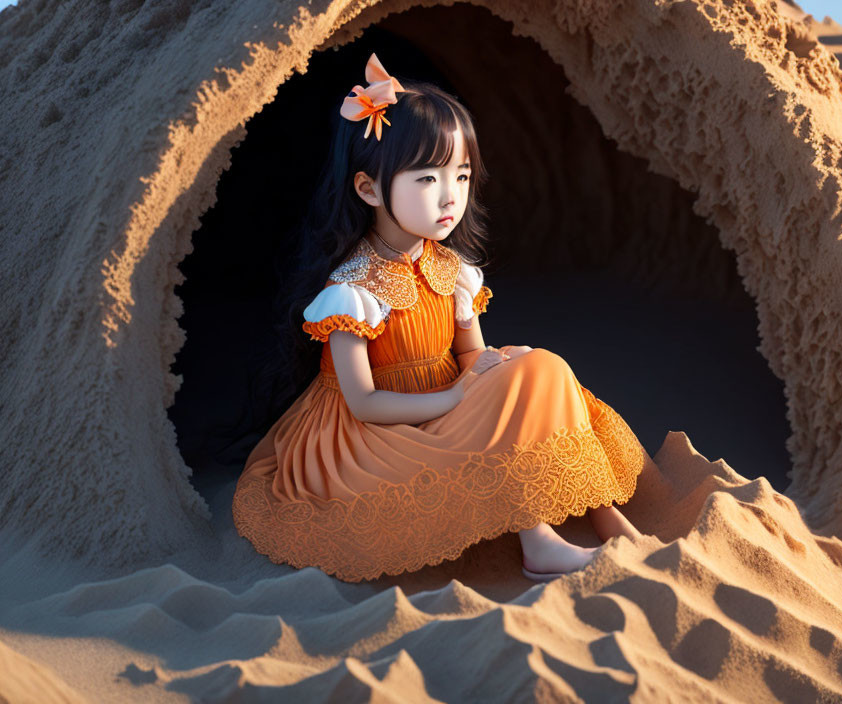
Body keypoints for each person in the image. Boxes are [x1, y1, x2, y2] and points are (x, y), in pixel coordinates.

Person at [232, 52, 648, 583]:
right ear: (368, 189)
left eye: (462, 175)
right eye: (428, 178)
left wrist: (497, 363)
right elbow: (362, 403)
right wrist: (454, 397)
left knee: (545, 368)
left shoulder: (454, 269)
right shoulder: (352, 290)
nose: (451, 196)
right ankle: (538, 541)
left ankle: (600, 508)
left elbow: (470, 355)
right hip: (372, 437)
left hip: (445, 405)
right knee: (484, 433)